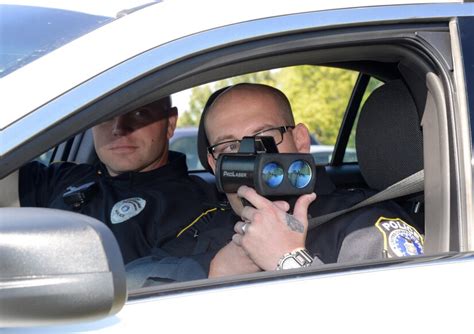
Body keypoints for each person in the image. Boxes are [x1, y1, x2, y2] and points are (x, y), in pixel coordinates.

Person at [198, 83, 424, 277]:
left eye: (263, 137)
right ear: (214, 164)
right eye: (230, 147)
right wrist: (216, 273)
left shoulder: (365, 227)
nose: (249, 156)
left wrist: (288, 260)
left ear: (300, 141)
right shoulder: (205, 229)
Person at [0, 97, 218, 264]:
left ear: (170, 123)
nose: (118, 128)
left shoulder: (195, 210)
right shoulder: (64, 177)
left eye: (140, 113)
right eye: (105, 116)